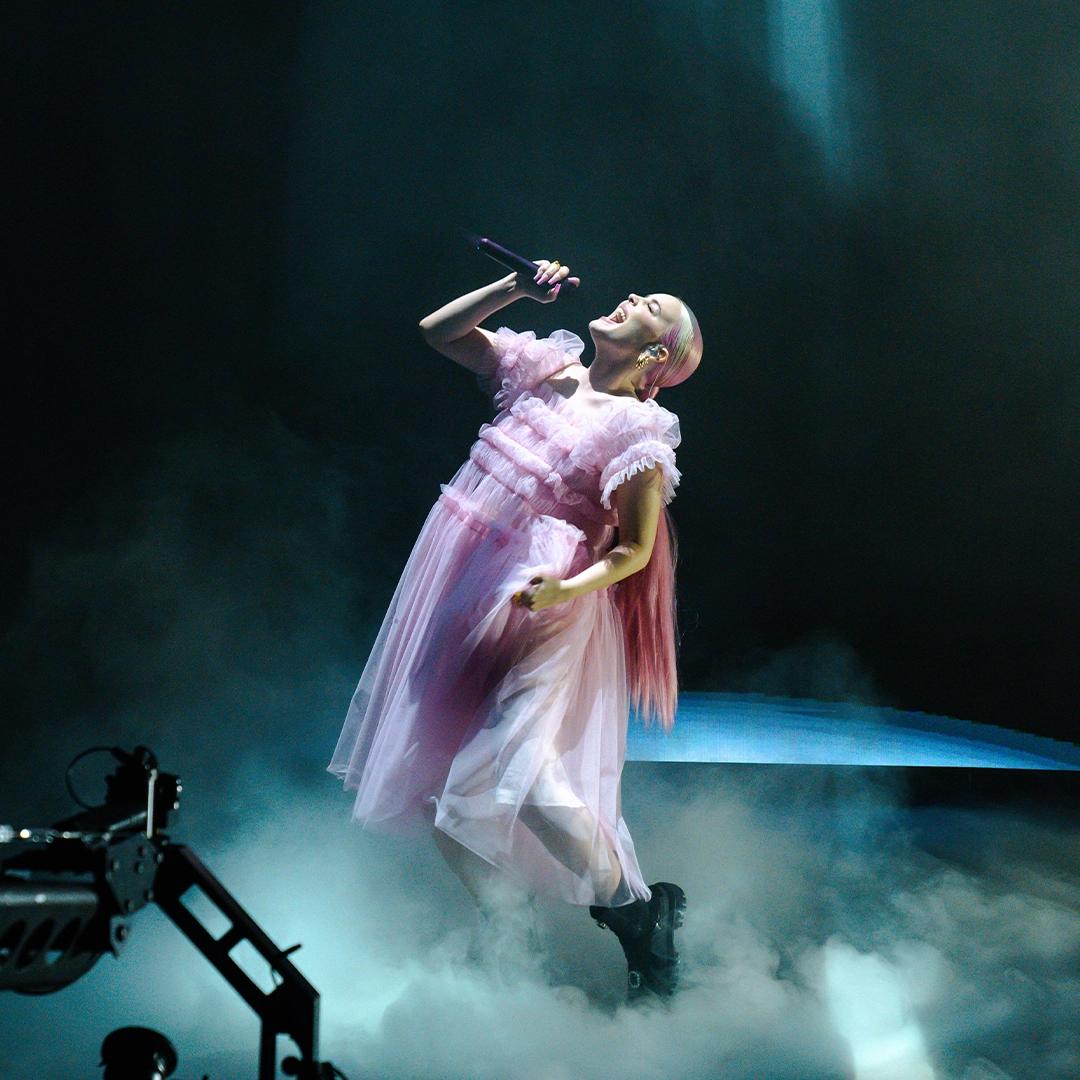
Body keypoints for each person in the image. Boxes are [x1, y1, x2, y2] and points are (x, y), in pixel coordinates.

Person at [328, 257, 703, 1000]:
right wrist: (512, 290)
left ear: (657, 353)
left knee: (518, 767)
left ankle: (638, 913)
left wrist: (566, 585)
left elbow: (631, 550)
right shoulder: (546, 369)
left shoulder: (639, 430)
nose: (629, 296)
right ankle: (510, 936)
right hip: (471, 577)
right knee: (437, 775)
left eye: (648, 305)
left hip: (548, 597)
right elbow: (440, 334)